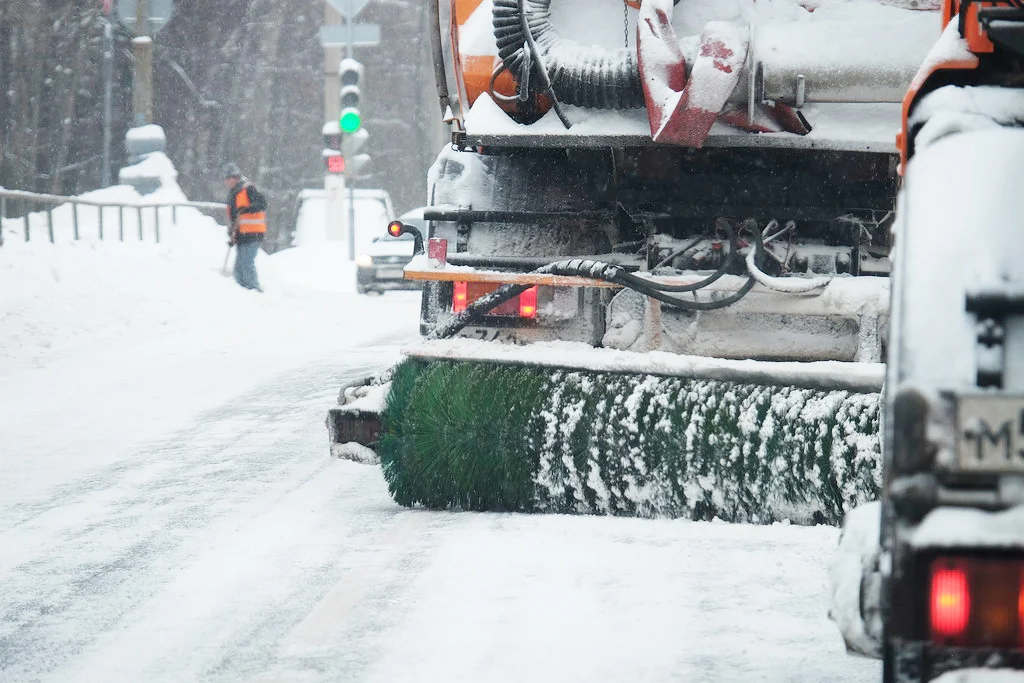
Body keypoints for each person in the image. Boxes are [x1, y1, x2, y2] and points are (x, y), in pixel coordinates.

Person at [223, 162, 267, 292]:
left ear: (235, 177)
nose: (226, 182)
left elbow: (262, 204)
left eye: (228, 178)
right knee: (238, 268)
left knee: (246, 263)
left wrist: (248, 209)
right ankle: (242, 292)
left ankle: (254, 290)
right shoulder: (233, 194)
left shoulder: (248, 189)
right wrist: (232, 234)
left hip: (253, 233)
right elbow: (235, 218)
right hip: (241, 235)